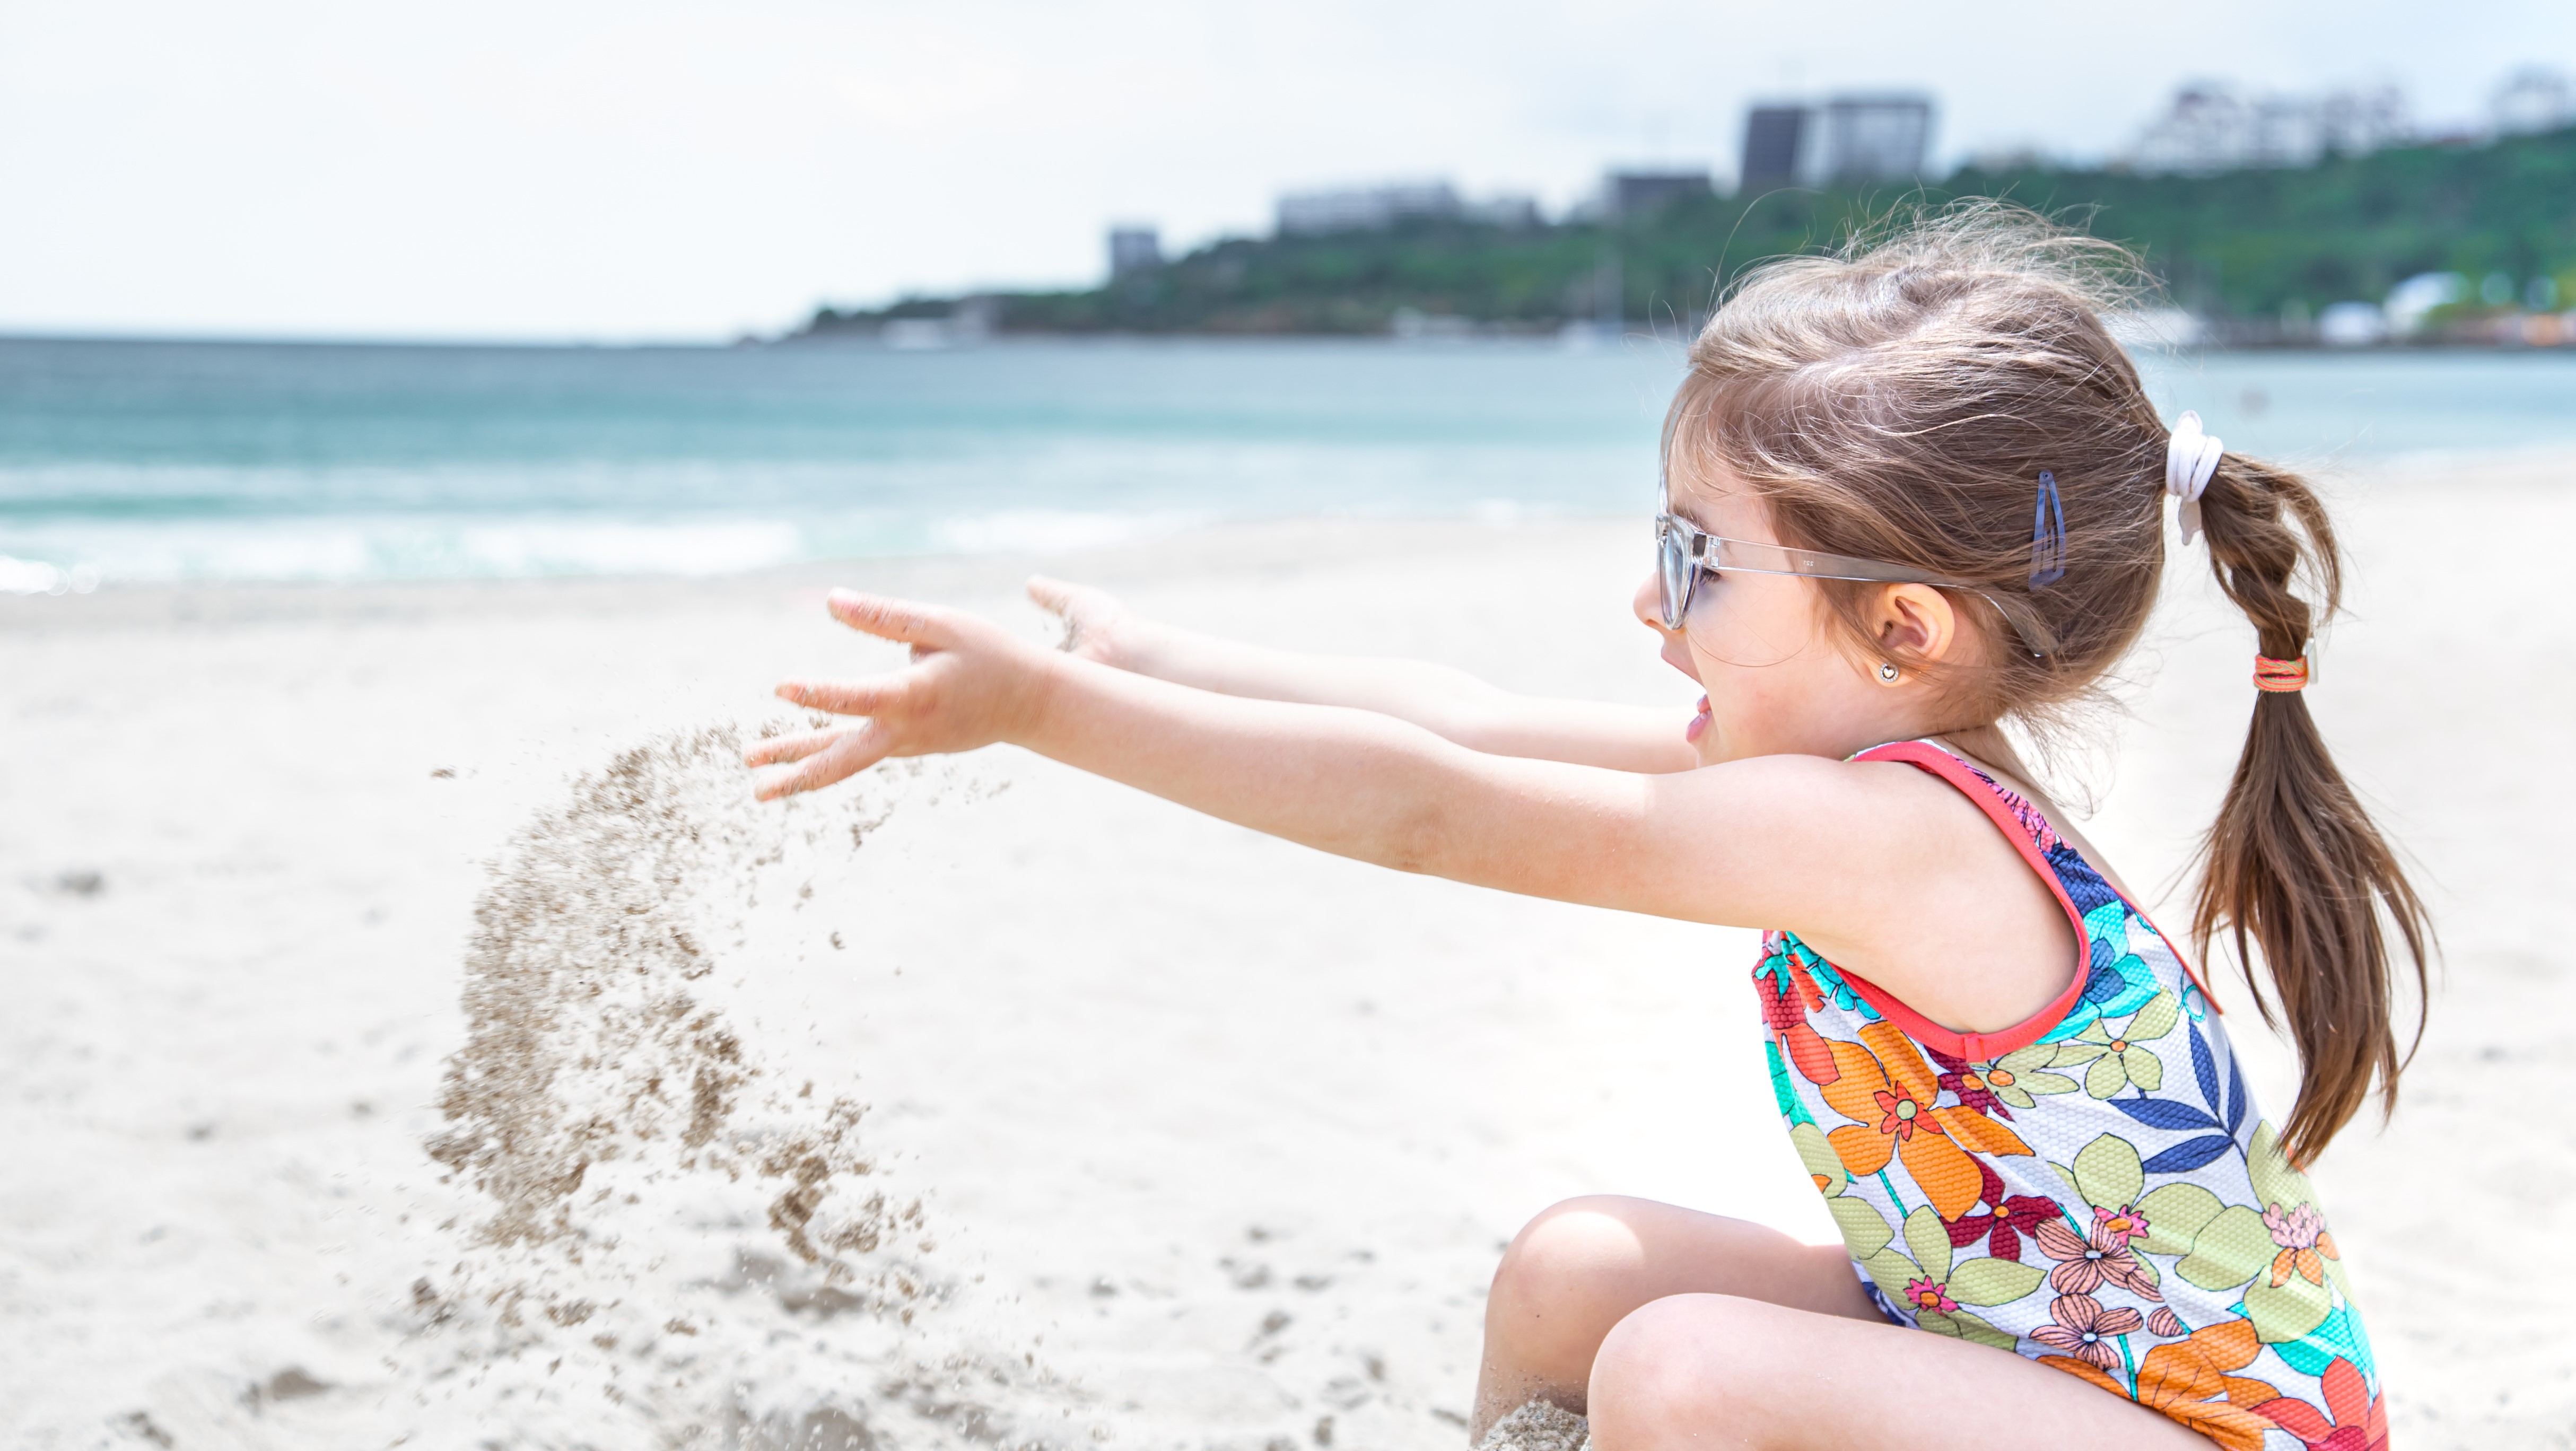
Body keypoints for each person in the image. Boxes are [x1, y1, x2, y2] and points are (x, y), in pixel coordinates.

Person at [745, 207, 2424, 1451]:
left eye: (1696, 561)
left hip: (2201, 1435)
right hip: (2019, 1355)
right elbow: (1457, 721)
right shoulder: (1855, 792)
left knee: (1683, 1369)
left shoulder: (1881, 840)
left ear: (1902, 629)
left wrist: (1046, 717)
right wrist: (1165, 657)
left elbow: (1430, 814)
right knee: (1575, 1276)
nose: (1647, 598)